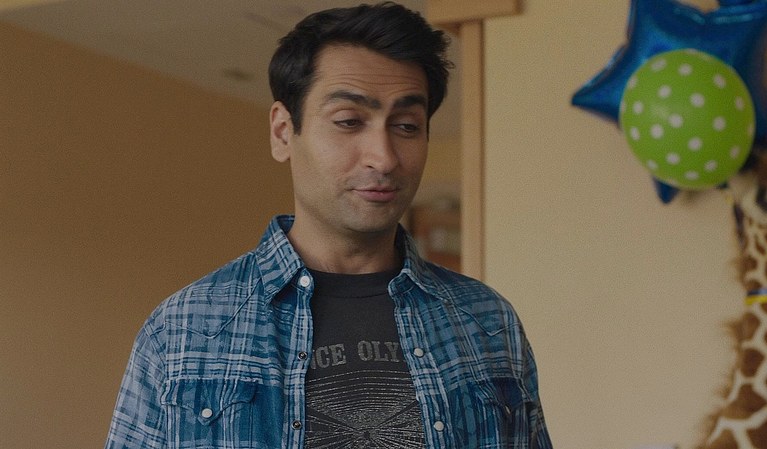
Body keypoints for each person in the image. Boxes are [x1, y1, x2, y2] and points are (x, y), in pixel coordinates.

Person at [105, 2, 552, 448]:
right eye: (349, 121)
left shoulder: (488, 321)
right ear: (283, 132)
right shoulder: (183, 328)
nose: (384, 157)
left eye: (406, 125)